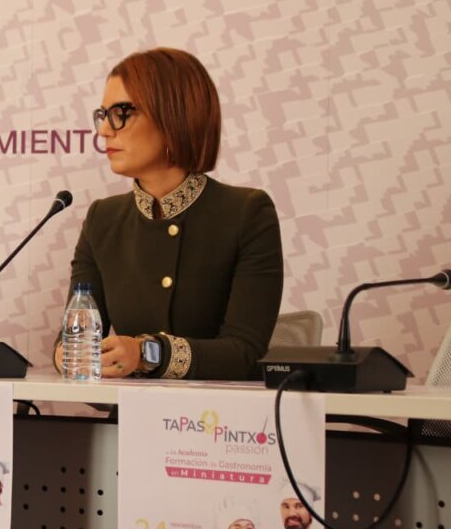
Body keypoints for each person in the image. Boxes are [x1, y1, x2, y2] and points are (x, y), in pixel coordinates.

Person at [57, 48, 283, 380]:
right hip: (127, 419)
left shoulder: (246, 213)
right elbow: (75, 335)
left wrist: (148, 353)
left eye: (121, 113)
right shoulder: (102, 219)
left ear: (176, 115)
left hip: (220, 423)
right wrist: (68, 354)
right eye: (102, 115)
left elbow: (246, 352)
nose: (104, 130)